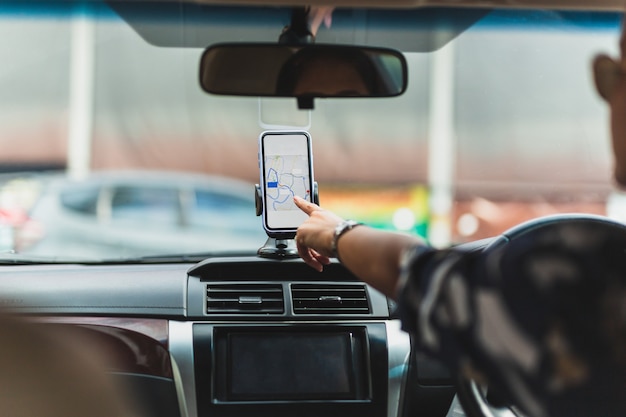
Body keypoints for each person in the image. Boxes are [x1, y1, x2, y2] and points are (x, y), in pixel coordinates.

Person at [293, 21, 626, 417]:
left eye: (615, 74)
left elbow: (418, 275)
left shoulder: (582, 281)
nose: (608, 96)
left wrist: (336, 233)